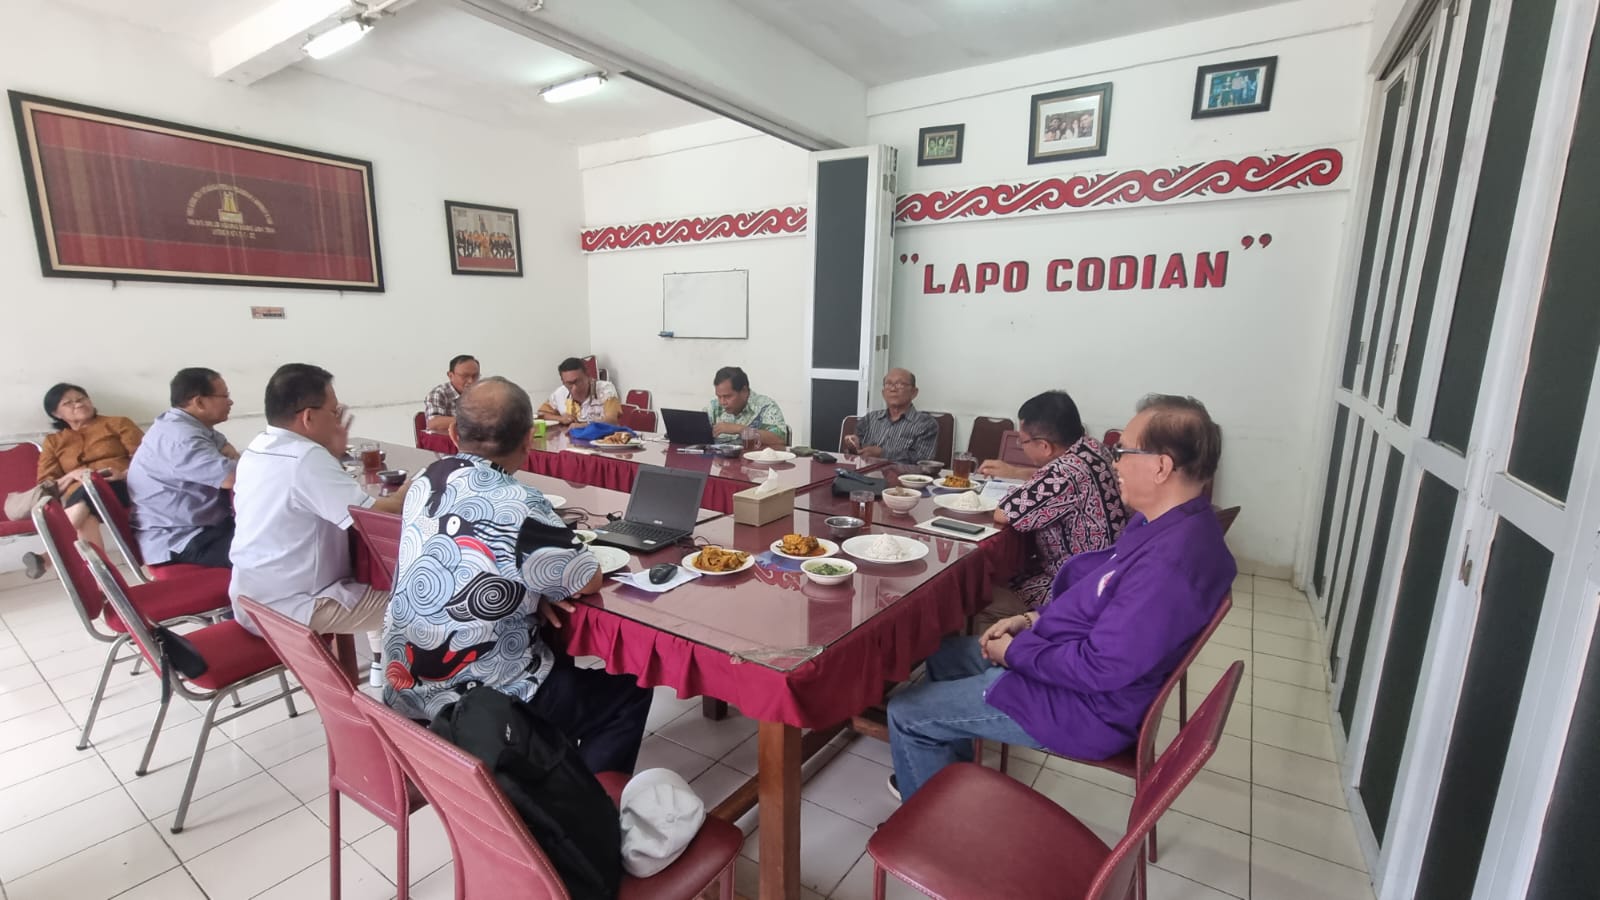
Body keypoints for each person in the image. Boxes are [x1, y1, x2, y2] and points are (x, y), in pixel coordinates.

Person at [886, 394, 1236, 801]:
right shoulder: (1164, 522)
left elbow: (1100, 668)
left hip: (1081, 707)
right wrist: (1032, 620)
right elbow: (1095, 592)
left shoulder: (1171, 565)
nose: (1115, 464)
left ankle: (933, 823)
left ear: (1160, 467)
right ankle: (949, 780)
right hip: (1062, 657)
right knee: (944, 656)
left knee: (906, 712)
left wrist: (1015, 653)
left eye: (1123, 452)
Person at [383, 377, 653, 773]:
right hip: (485, 698)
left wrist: (527, 589)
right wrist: (539, 588)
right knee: (629, 694)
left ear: (454, 433)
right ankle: (582, 803)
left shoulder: (427, 479)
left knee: (555, 660)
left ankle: (549, 768)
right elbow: (588, 579)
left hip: (406, 682)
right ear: (529, 439)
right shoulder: (521, 503)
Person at [230, 363, 407, 683]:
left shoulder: (258, 448)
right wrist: (414, 487)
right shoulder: (305, 458)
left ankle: (381, 665)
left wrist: (331, 455)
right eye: (334, 411)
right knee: (426, 600)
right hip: (293, 605)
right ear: (308, 417)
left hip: (252, 595)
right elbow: (379, 519)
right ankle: (404, 684)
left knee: (380, 578)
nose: (338, 420)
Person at [976, 390, 1126, 631]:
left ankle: (996, 651)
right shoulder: (1093, 448)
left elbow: (1004, 513)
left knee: (981, 595)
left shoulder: (1064, 472)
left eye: (1022, 441)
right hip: (1107, 575)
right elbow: (1051, 479)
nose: (1021, 446)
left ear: (1044, 446)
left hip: (1074, 589)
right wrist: (1015, 473)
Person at [21, 384, 144, 579]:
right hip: (79, 494)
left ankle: (48, 556)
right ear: (56, 414)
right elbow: (46, 482)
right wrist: (71, 475)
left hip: (120, 485)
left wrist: (123, 474)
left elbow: (146, 459)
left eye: (81, 399)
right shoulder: (53, 441)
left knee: (88, 493)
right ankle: (102, 583)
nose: (78, 404)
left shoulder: (118, 423)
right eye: (68, 403)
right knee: (86, 515)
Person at [126, 368, 240, 570]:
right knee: (275, 546)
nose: (230, 402)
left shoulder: (187, 424)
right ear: (199, 402)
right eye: (225, 396)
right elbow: (231, 477)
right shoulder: (180, 437)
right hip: (183, 540)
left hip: (202, 526)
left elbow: (229, 451)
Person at [842, 368, 939, 464]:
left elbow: (923, 460)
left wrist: (882, 454)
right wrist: (853, 447)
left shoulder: (925, 423)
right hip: (865, 472)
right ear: (883, 393)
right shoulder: (869, 419)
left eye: (900, 384)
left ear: (914, 392)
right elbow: (854, 455)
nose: (893, 389)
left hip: (903, 474)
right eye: (888, 384)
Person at [706, 366, 788, 448]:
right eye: (719, 396)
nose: (722, 402)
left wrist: (741, 430)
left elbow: (780, 439)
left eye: (728, 396)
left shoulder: (766, 406)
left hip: (754, 455)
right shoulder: (714, 407)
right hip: (718, 455)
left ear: (744, 391)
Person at [537, 357, 621, 425]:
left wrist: (583, 426)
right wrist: (560, 418)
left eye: (577, 381)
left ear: (588, 376)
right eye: (569, 383)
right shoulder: (560, 392)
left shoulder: (605, 389)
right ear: (563, 382)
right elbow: (541, 414)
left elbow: (611, 420)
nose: (575, 388)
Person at [424, 355, 481, 433]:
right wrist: (472, 422)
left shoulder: (482, 393)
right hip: (446, 439)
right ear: (450, 375)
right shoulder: (439, 393)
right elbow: (434, 423)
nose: (471, 381)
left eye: (475, 376)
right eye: (465, 376)